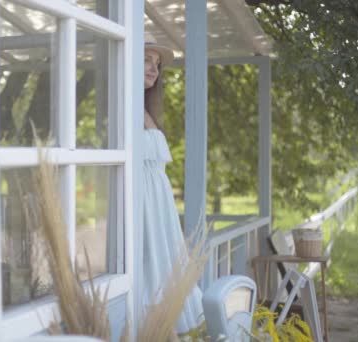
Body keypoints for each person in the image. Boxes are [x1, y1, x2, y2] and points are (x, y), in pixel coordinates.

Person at [142, 33, 205, 333]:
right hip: (141, 206)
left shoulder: (144, 111)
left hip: (158, 208)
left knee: (168, 273)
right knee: (149, 277)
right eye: (145, 60)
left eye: (156, 63)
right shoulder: (120, 109)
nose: (154, 68)